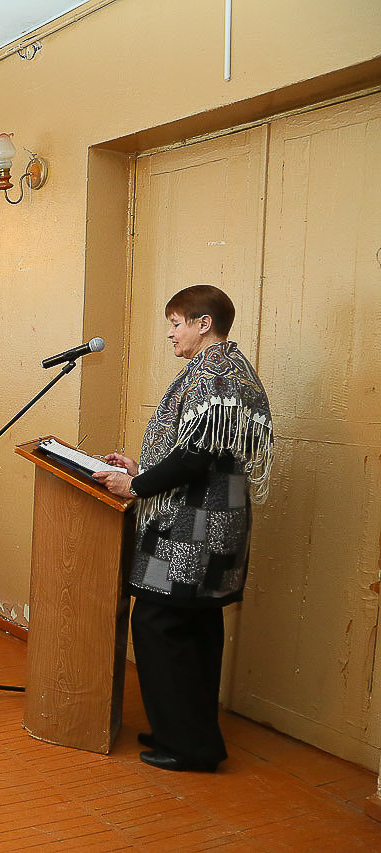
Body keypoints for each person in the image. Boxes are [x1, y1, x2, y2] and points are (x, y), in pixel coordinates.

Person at [93, 284, 273, 774]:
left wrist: (136, 484)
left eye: (176, 324)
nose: (170, 334)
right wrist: (142, 468)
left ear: (203, 324)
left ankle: (189, 745)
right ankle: (185, 732)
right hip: (208, 520)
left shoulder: (215, 373)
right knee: (195, 628)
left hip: (194, 528)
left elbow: (196, 457)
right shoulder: (226, 368)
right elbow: (202, 448)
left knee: (160, 624)